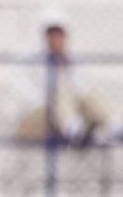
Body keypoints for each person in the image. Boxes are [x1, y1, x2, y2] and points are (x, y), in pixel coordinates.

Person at [14, 9, 116, 150]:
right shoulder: (29, 62)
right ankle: (75, 130)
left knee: (90, 96)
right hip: (34, 119)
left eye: (60, 35)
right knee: (59, 94)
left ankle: (114, 126)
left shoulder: (73, 61)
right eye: (51, 35)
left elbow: (81, 94)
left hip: (63, 116)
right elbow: (26, 99)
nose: (56, 40)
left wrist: (66, 70)